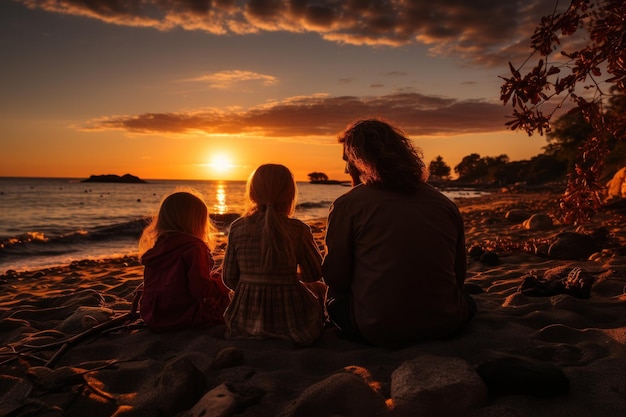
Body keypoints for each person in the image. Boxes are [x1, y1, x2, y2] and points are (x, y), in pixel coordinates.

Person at [322, 118, 476, 347]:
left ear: (359, 160)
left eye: (347, 160)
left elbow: (335, 278)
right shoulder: (444, 204)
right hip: (447, 322)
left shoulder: (348, 205)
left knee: (333, 301)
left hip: (377, 328)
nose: (345, 169)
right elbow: (459, 274)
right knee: (470, 300)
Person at [222, 164, 326, 347]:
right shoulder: (298, 230)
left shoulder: (237, 228)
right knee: (319, 289)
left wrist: (253, 284)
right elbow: (314, 274)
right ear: (290, 195)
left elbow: (229, 278)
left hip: (244, 321)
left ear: (253, 194)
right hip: (292, 323)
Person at [138, 189, 231, 332]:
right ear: (197, 222)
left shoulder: (158, 247)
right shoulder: (194, 248)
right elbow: (200, 290)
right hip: (183, 316)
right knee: (228, 297)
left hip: (153, 315)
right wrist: (223, 284)